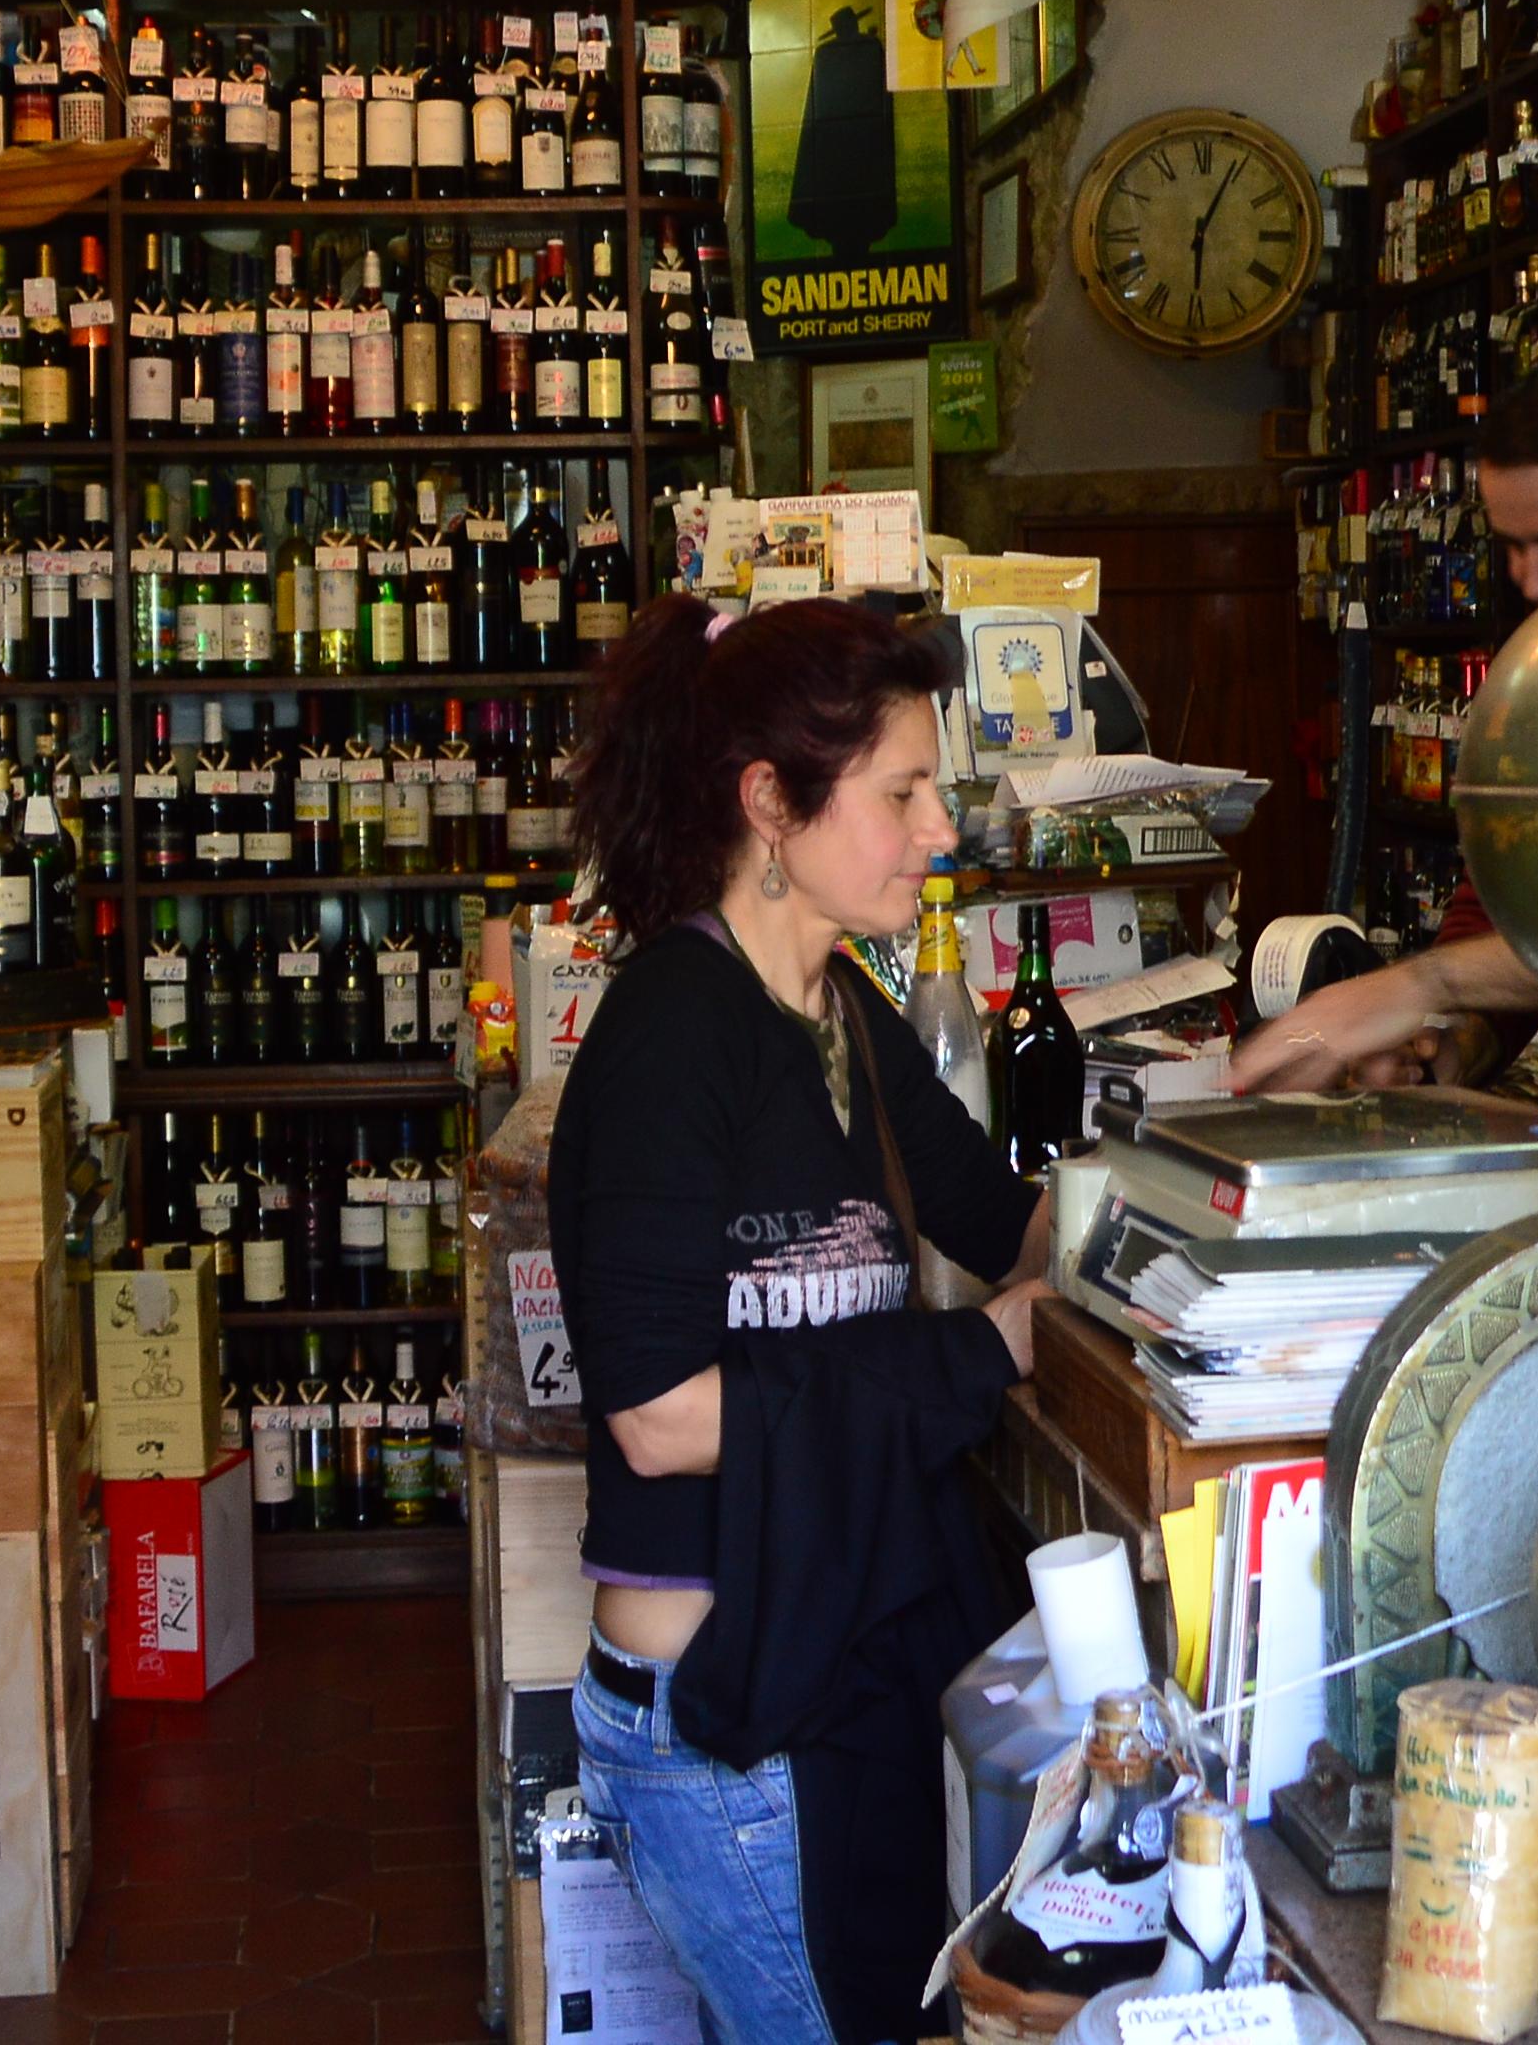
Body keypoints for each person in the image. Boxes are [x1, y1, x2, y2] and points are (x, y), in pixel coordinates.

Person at [548, 594, 1058, 2045]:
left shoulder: (842, 1010)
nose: (937, 829)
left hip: (829, 1670)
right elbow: (659, 1416)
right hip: (724, 1722)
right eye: (900, 793)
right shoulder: (671, 1036)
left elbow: (992, 1212)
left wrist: (1168, 1233)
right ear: (771, 803)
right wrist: (974, 1353)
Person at [1225, 352, 1538, 1094]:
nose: (1534, 582)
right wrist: (1454, 1046)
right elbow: (1515, 891)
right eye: (1513, 544)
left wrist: (1423, 986)